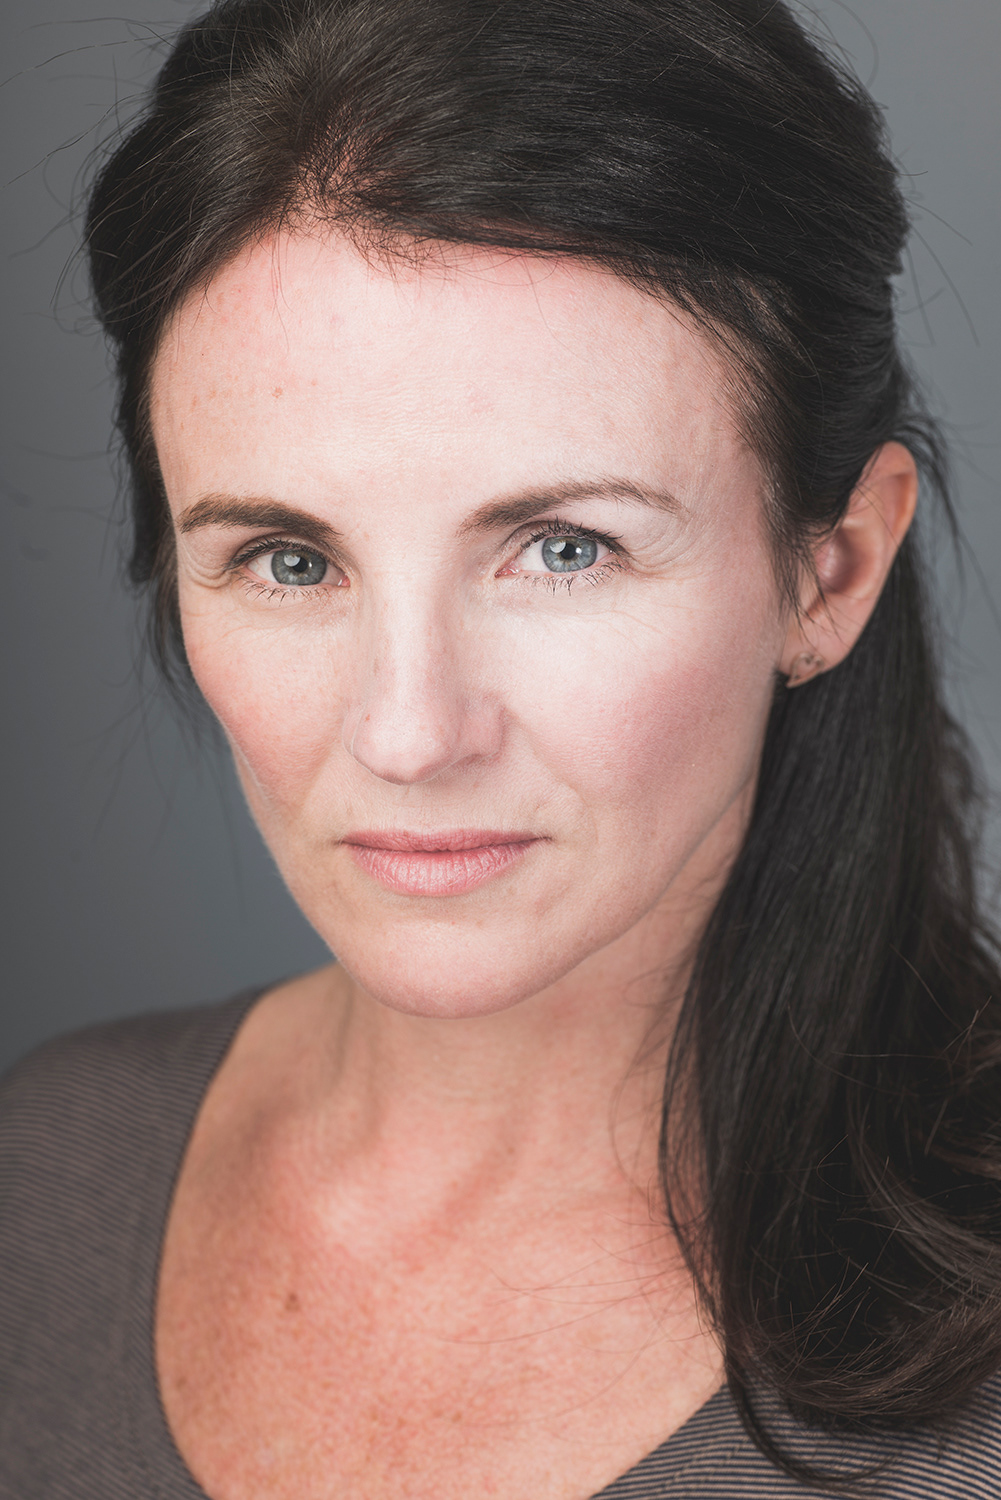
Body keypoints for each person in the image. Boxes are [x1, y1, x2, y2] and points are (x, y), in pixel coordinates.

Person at [2, 0, 1001, 1494]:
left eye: (563, 548)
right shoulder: (40, 1172)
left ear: (832, 570)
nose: (408, 734)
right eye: (289, 560)